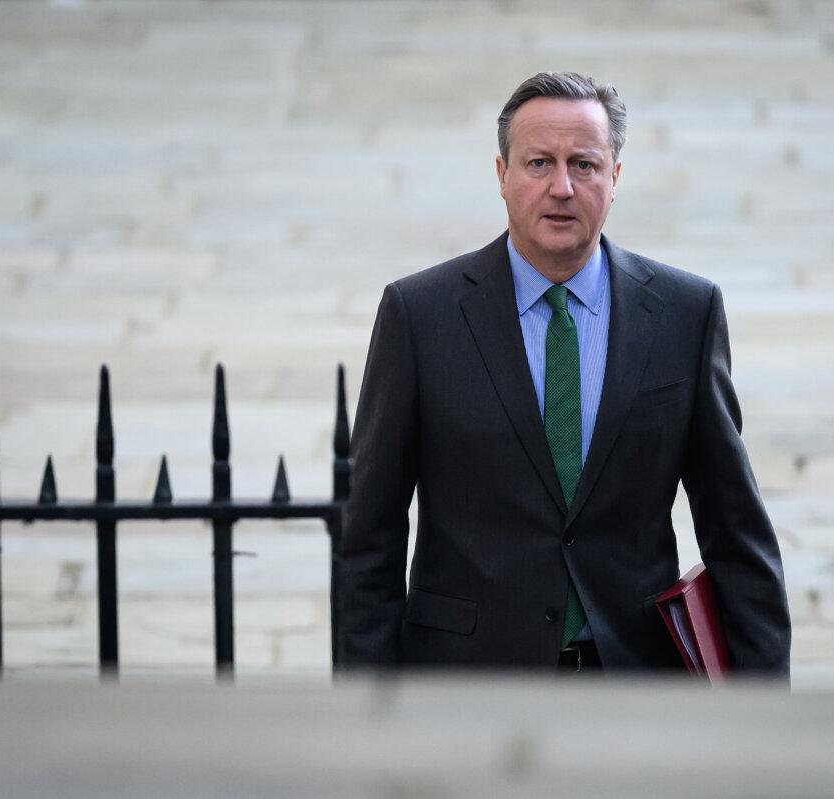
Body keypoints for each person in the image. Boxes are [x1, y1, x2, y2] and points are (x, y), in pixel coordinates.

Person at [335, 71, 790, 674]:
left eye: (584, 165)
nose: (562, 188)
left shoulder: (686, 313)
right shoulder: (420, 315)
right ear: (501, 176)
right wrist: (368, 713)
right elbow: (370, 537)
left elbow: (736, 531)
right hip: (467, 685)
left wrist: (763, 713)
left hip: (634, 684)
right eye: (538, 163)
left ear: (615, 178)